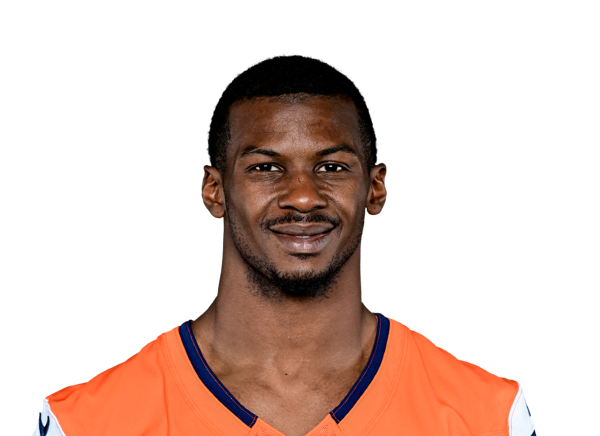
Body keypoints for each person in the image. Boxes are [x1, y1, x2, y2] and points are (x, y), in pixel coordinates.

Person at [32, 55, 536, 436]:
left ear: (376, 188)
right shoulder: (86, 423)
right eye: (266, 167)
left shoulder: (489, 416)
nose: (302, 196)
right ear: (214, 190)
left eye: (332, 167)